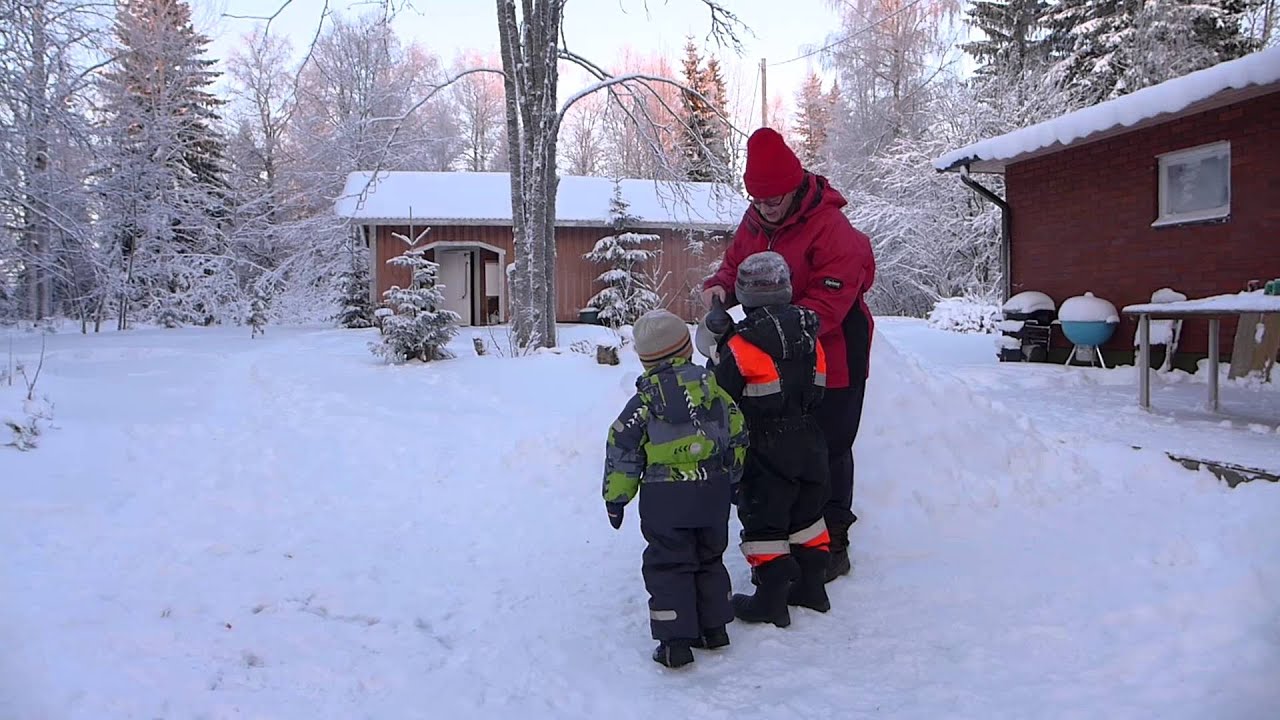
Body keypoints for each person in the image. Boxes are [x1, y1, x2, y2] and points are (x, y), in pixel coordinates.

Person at [701, 127, 874, 583]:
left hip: (835, 348)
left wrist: (773, 329)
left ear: (794, 187)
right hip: (779, 347)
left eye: (775, 199)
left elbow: (832, 298)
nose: (766, 208)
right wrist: (720, 290)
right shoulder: (755, 220)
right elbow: (735, 265)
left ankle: (833, 538)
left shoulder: (831, 227)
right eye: (758, 200)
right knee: (785, 442)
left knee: (830, 445)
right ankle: (791, 535)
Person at [602, 309, 748, 669]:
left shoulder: (643, 404)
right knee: (709, 556)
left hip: (664, 498)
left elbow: (622, 448)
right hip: (711, 490)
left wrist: (616, 498)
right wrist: (733, 478)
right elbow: (737, 434)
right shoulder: (715, 393)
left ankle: (674, 642)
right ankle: (714, 628)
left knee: (669, 562)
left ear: (645, 357)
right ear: (686, 349)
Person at [706, 252, 831, 627]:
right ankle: (813, 588)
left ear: (743, 296)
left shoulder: (741, 345)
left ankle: (770, 601)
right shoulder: (811, 337)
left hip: (764, 444)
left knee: (765, 519)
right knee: (808, 514)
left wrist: (719, 344)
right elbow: (820, 386)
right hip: (811, 435)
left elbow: (719, 394)